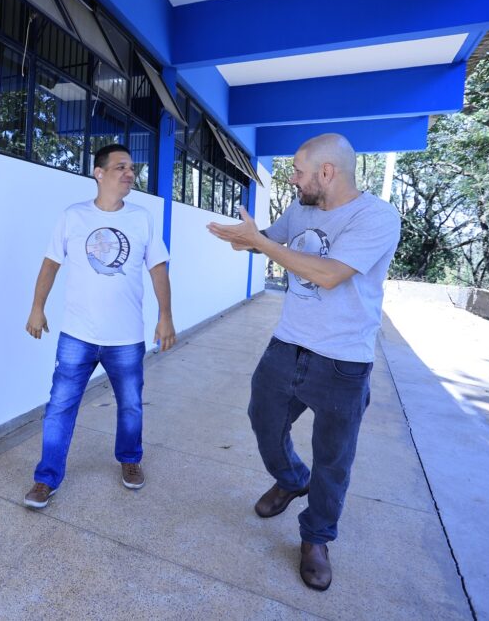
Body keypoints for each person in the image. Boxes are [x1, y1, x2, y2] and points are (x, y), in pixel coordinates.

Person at [207, 133, 401, 591]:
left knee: (333, 459)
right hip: (286, 346)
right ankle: (292, 479)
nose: (292, 179)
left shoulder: (375, 217)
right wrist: (246, 240)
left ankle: (316, 538)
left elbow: (329, 275)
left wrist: (262, 244)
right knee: (263, 422)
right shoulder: (301, 209)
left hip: (343, 362)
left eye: (298, 171)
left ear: (327, 173)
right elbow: (270, 242)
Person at [23, 144, 176, 509]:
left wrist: (165, 316)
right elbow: (50, 264)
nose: (129, 174)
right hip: (77, 335)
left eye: (132, 168)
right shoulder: (73, 217)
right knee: (59, 407)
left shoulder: (142, 219)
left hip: (125, 338)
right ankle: (46, 479)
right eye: (120, 167)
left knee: (130, 406)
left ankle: (129, 459)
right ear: (99, 173)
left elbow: (158, 269)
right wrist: (37, 308)